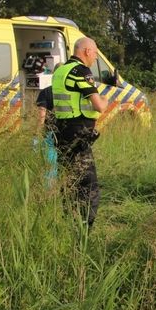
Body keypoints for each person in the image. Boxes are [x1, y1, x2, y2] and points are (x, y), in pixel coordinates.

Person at [51, 36, 108, 230]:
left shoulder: (60, 72)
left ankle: (68, 225)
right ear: (86, 51)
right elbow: (99, 105)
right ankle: (83, 232)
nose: (95, 58)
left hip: (61, 136)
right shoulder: (80, 71)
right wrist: (106, 99)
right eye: (95, 54)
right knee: (88, 188)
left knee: (68, 184)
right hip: (78, 139)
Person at [34, 86, 59, 187]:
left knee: (50, 164)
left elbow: (42, 115)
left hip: (51, 133)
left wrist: (37, 133)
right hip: (70, 132)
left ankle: (49, 189)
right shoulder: (73, 89)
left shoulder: (46, 91)